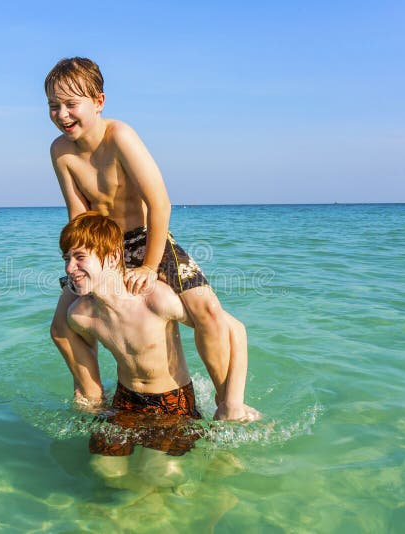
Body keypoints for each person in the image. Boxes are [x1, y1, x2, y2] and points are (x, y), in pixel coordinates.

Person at [46, 57, 255, 421]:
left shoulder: (120, 136)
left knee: (206, 312)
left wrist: (148, 265)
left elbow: (160, 204)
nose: (62, 114)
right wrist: (82, 261)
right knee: (61, 327)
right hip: (102, 245)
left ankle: (226, 404)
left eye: (71, 104)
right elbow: (78, 215)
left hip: (148, 236)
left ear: (99, 101)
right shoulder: (60, 151)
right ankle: (93, 397)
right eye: (54, 106)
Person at [59, 213, 260, 485]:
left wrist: (232, 402)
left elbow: (235, 329)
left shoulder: (155, 298)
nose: (70, 268)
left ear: (114, 256)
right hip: (126, 403)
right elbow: (80, 355)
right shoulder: (80, 315)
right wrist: (87, 397)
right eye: (66, 259)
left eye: (80, 257)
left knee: (155, 475)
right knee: (105, 471)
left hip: (172, 404)